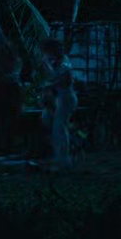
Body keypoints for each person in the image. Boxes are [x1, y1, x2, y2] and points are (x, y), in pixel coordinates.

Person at [39, 39, 78, 171]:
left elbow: (66, 80)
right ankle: (58, 157)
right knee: (52, 124)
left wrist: (50, 85)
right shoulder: (52, 61)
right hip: (57, 97)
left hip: (65, 97)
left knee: (59, 128)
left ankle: (63, 161)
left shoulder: (64, 62)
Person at [0, 36, 24, 157]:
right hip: (1, 93)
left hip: (11, 94)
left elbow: (14, 76)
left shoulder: (15, 61)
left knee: (10, 122)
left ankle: (8, 147)